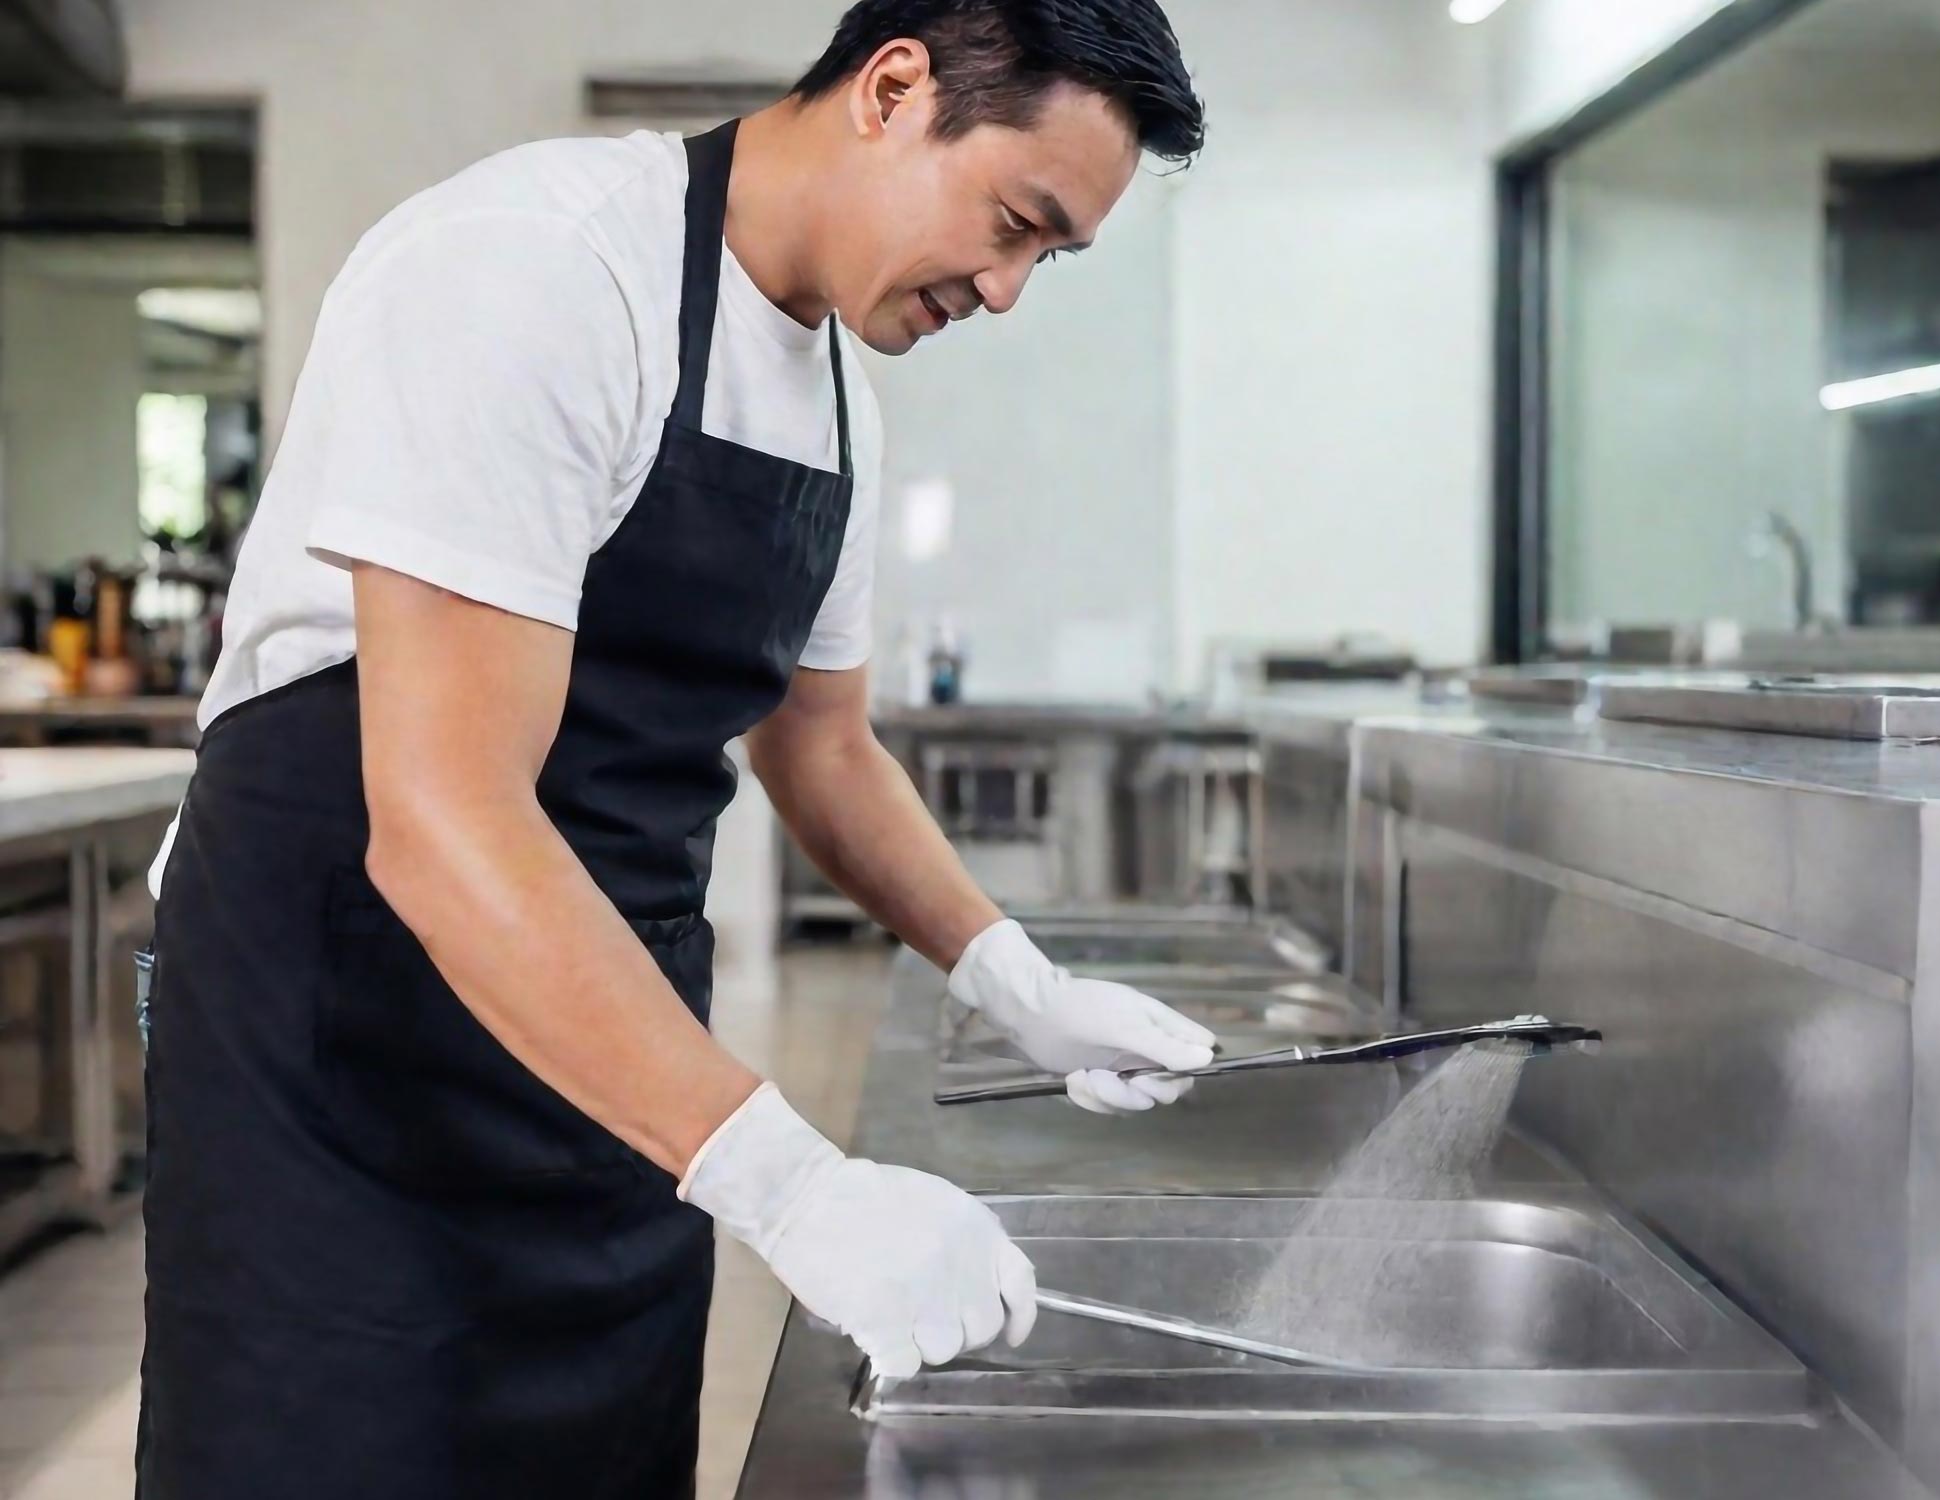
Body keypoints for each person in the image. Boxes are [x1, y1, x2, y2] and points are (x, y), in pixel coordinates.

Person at [136, 2, 1210, 1496]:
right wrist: (792, 1187)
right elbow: (442, 812)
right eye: (1015, 223)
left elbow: (823, 747)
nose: (1011, 289)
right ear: (896, 90)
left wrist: (1011, 977)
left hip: (606, 1048)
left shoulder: (840, 403)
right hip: (348, 1038)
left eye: (1053, 258)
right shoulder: (539, 269)